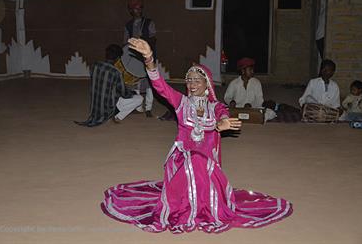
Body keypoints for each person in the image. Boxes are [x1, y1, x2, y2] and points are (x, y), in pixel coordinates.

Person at [100, 38, 292, 233]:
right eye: (189, 80)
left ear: (207, 84)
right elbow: (160, 86)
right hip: (182, 157)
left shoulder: (215, 106)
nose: (191, 84)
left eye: (197, 80)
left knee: (200, 159)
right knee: (194, 159)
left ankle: (205, 205)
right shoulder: (181, 102)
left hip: (208, 160)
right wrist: (149, 59)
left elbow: (223, 113)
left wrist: (221, 123)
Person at [75, 44, 143, 127]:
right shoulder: (116, 72)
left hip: (95, 107)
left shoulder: (94, 65)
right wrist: (132, 93)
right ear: (118, 58)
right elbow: (124, 94)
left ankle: (113, 115)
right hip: (108, 107)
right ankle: (116, 116)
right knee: (139, 98)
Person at [124, 0, 156, 118]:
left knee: (149, 83)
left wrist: (144, 43)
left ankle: (148, 108)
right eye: (136, 9)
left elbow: (153, 38)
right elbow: (125, 42)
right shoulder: (128, 25)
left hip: (147, 56)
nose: (139, 11)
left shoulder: (149, 22)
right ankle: (138, 107)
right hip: (134, 57)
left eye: (140, 8)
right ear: (131, 11)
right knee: (135, 81)